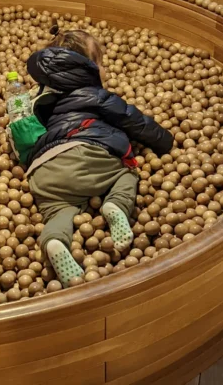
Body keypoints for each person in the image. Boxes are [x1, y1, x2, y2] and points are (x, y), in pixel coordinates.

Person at [25, 27, 174, 287]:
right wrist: (165, 141)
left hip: (43, 169)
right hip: (86, 151)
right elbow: (134, 121)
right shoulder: (96, 95)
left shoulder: (39, 99)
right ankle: (116, 205)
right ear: (88, 69)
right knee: (126, 173)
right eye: (101, 63)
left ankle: (55, 240)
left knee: (57, 211)